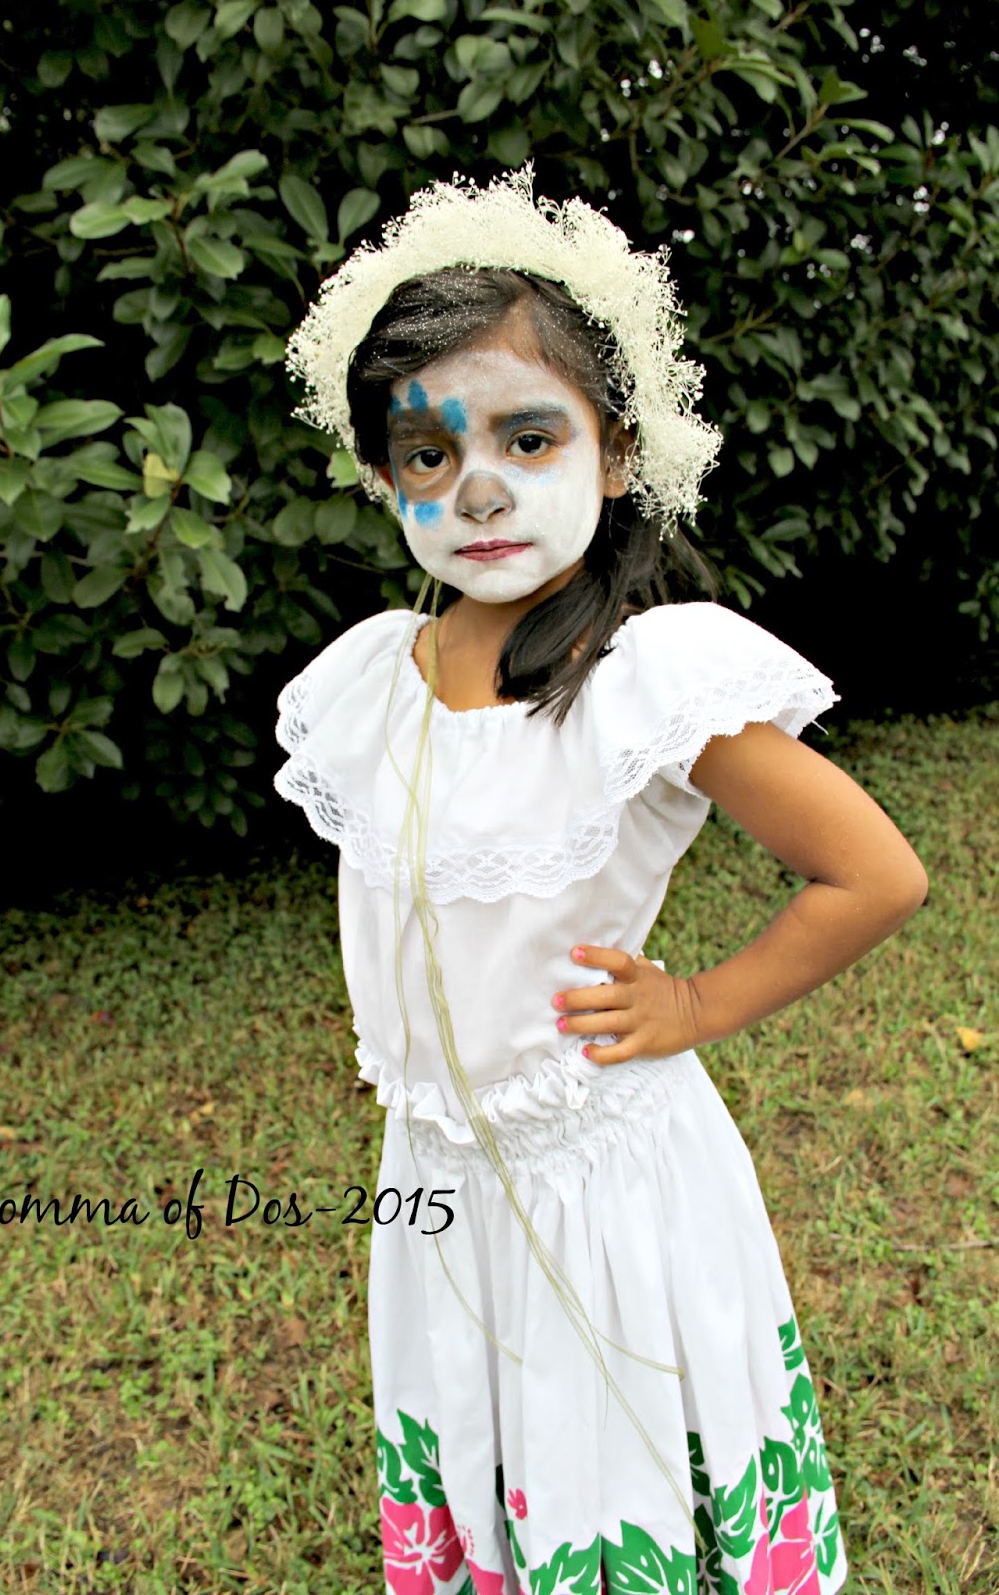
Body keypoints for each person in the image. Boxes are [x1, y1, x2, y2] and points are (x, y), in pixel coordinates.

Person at [275, 170, 928, 1595]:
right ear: (382, 477)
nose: (480, 488)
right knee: (484, 1428)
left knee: (612, 1448)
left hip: (604, 1183)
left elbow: (873, 872)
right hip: (436, 1178)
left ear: (616, 452)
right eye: (428, 452)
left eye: (528, 437)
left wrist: (696, 1003)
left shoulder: (644, 680)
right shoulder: (370, 680)